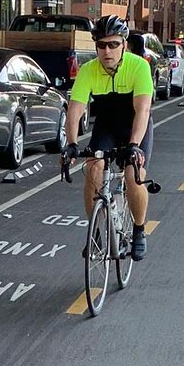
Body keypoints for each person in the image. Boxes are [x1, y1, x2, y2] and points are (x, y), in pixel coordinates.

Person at [63, 15, 154, 260]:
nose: (107, 50)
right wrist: (71, 143)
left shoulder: (139, 66)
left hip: (135, 124)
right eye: (101, 45)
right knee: (93, 168)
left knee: (133, 175)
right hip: (107, 126)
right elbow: (74, 111)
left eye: (113, 44)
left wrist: (134, 145)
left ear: (124, 44)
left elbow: (143, 110)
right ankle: (96, 234)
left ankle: (139, 229)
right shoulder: (88, 70)